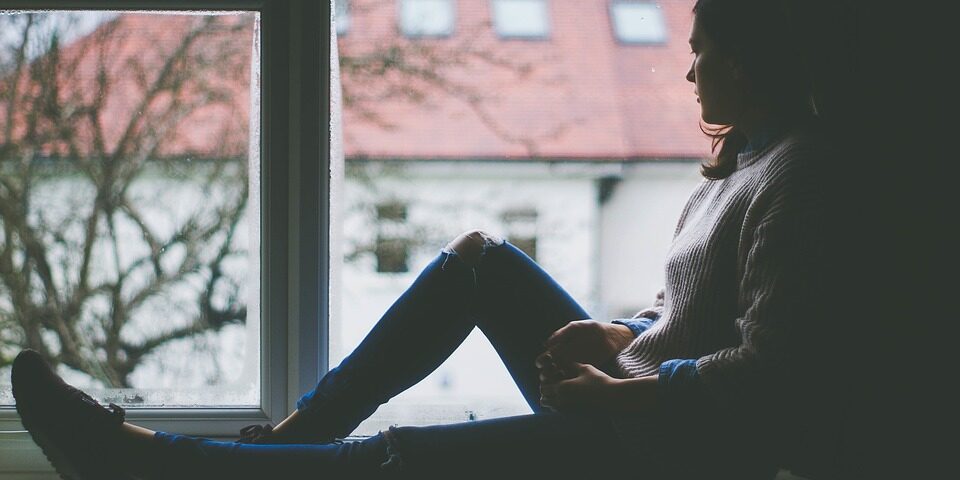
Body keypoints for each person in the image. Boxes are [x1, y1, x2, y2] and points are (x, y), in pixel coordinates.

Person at [10, 0, 838, 478]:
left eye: (702, 55)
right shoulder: (743, 162)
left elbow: (775, 373)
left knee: (399, 457)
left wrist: (620, 391)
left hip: (672, 455)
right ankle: (294, 438)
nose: (690, 73)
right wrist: (621, 332)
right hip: (639, 408)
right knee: (479, 259)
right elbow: (690, 308)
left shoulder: (799, 176)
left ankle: (152, 464)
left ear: (751, 59)